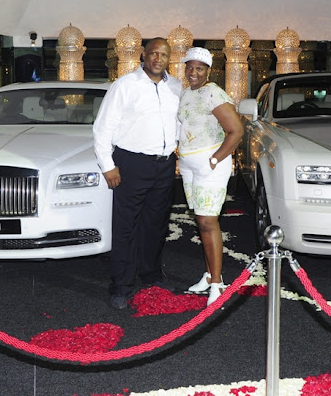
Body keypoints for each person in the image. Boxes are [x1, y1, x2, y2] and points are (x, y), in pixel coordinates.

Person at [93, 38, 182, 310]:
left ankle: (151, 275)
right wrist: (108, 165)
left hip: (165, 165)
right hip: (131, 163)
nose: (158, 58)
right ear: (144, 55)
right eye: (153, 53)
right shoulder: (124, 86)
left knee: (156, 224)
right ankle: (121, 285)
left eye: (163, 54)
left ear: (169, 58)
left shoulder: (176, 87)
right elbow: (102, 128)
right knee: (126, 226)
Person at [177, 47, 244, 305]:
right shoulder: (186, 93)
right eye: (190, 67)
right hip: (188, 166)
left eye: (199, 68)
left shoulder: (214, 93)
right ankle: (208, 275)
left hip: (210, 166)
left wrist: (216, 159)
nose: (193, 72)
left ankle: (217, 283)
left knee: (208, 222)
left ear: (209, 71)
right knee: (201, 221)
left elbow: (236, 131)